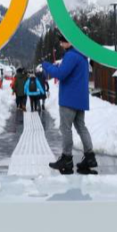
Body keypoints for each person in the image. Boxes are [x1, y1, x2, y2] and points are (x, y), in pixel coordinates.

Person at [41, 34, 97, 175]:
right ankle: (90, 157)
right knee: (81, 127)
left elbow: (61, 74)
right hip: (80, 99)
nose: (60, 45)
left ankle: (66, 158)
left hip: (69, 99)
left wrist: (46, 66)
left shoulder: (71, 55)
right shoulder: (83, 56)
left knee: (65, 128)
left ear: (68, 42)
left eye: (62, 42)